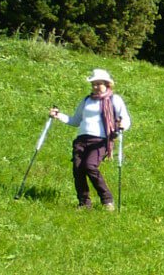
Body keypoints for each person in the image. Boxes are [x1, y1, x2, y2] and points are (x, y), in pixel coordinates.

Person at [46, 68, 131, 210]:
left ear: (107, 84)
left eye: (99, 84)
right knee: (78, 169)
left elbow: (125, 119)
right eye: (93, 84)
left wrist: (123, 125)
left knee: (89, 166)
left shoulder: (114, 99)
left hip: (101, 141)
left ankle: (107, 200)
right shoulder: (86, 100)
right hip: (82, 138)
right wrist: (58, 115)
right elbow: (75, 120)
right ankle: (84, 203)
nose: (96, 87)